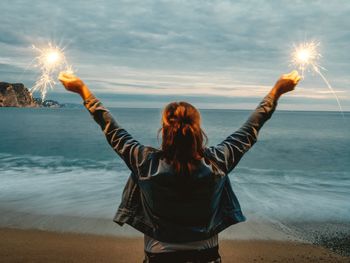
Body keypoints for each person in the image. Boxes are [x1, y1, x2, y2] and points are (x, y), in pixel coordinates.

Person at [59, 70, 301, 263]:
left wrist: (83, 90)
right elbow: (252, 127)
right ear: (198, 131)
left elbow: (110, 127)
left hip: (159, 256)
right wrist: (277, 91)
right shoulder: (218, 162)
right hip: (206, 256)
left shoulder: (144, 162)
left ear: (165, 130)